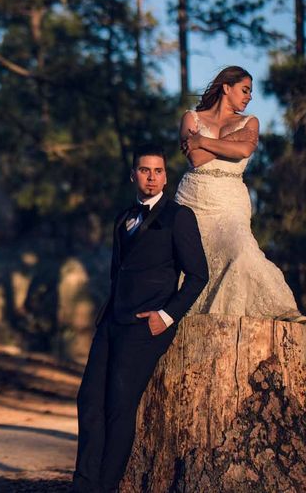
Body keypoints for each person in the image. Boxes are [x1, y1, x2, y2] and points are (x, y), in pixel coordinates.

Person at [73, 145, 208, 492]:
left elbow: (197, 276)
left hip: (147, 326)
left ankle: (103, 487)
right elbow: (118, 272)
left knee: (119, 408)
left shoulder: (179, 217)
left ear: (166, 175)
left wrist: (166, 316)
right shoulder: (123, 217)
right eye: (145, 170)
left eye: (158, 171)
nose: (152, 177)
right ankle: (83, 486)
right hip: (111, 322)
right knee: (89, 402)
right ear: (133, 174)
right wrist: (107, 316)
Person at [177, 65, 306, 323]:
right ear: (226, 87)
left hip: (230, 200)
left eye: (251, 92)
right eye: (245, 90)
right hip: (192, 199)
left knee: (241, 250)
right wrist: (229, 141)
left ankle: (275, 311)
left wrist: (202, 140)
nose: (249, 97)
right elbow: (196, 159)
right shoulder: (191, 118)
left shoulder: (250, 122)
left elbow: (244, 150)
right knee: (189, 260)